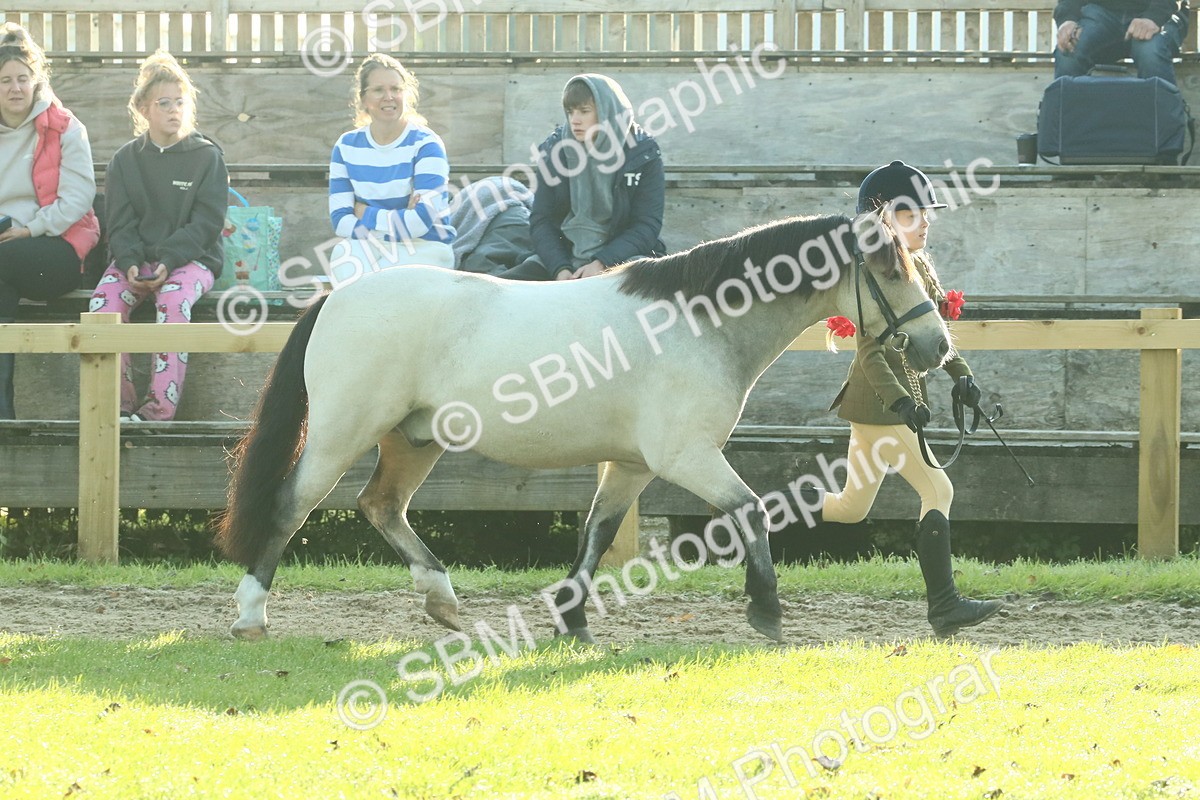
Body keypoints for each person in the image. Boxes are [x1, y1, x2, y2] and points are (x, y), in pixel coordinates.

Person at [818, 161, 1002, 638]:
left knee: (850, 507)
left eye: (925, 213)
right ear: (879, 222)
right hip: (882, 404)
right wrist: (901, 402)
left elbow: (938, 337)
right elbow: (870, 354)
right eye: (910, 214)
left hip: (877, 407)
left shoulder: (916, 265)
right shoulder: (877, 275)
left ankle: (755, 513)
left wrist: (963, 377)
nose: (925, 221)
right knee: (938, 489)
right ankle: (945, 606)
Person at [89, 50, 227, 422]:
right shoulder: (124, 160)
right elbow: (119, 223)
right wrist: (131, 263)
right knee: (104, 304)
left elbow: (206, 224)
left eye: (180, 102)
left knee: (173, 300)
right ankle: (117, 407)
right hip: (135, 261)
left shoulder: (207, 157)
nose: (173, 110)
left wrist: (167, 261)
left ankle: (157, 413)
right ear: (143, 109)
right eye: (163, 102)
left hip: (190, 260)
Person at [0, 23, 100, 419]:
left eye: (23, 78)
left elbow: (78, 196)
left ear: (36, 80)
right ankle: (3, 411)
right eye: (5, 80)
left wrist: (29, 229)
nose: (15, 88)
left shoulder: (65, 126)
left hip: (55, 248)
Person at [501, 73, 665, 281]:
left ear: (607, 113)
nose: (574, 120)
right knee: (501, 291)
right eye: (570, 112)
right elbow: (541, 220)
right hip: (563, 258)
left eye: (584, 111)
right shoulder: (555, 152)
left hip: (623, 258)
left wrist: (602, 263)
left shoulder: (643, 154)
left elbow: (647, 224)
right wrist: (559, 268)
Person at [327, 53, 455, 283]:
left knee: (386, 285)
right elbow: (340, 220)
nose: (389, 97)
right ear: (363, 99)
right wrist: (397, 220)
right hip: (368, 243)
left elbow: (420, 222)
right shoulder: (345, 146)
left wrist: (365, 212)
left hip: (425, 246)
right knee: (342, 258)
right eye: (378, 90)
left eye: (396, 89)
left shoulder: (427, 144)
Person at [1053, 0, 1189, 85]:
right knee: (1069, 51)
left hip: (1160, 13)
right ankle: (1066, 128)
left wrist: (1153, 17)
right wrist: (1067, 18)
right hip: (1099, 14)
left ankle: (1162, 128)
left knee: (1150, 52)